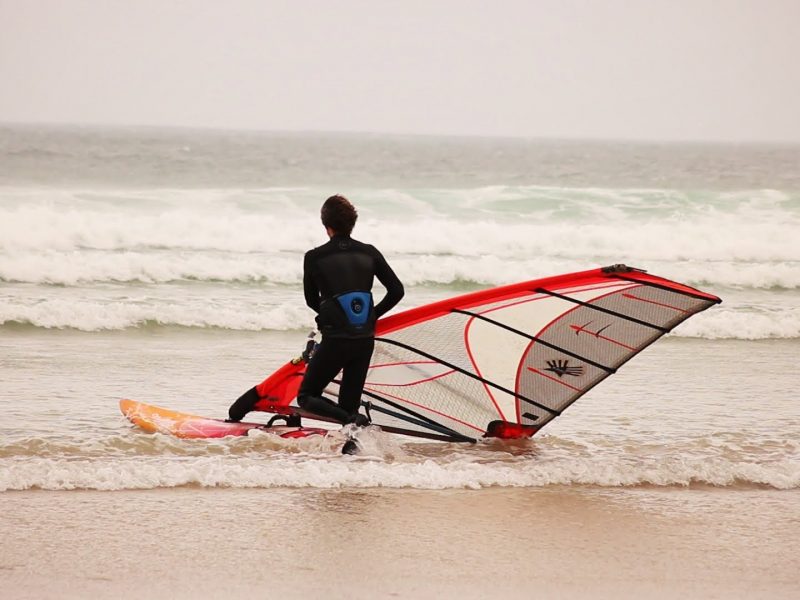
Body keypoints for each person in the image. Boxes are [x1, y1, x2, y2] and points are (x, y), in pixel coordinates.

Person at [228, 195, 404, 425]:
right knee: (348, 403)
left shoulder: (314, 257)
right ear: (352, 223)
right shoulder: (369, 252)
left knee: (307, 396)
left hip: (336, 339)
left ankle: (354, 420)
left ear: (326, 226)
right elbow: (397, 291)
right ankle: (353, 444)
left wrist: (334, 316)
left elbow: (311, 300)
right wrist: (371, 315)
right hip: (364, 339)